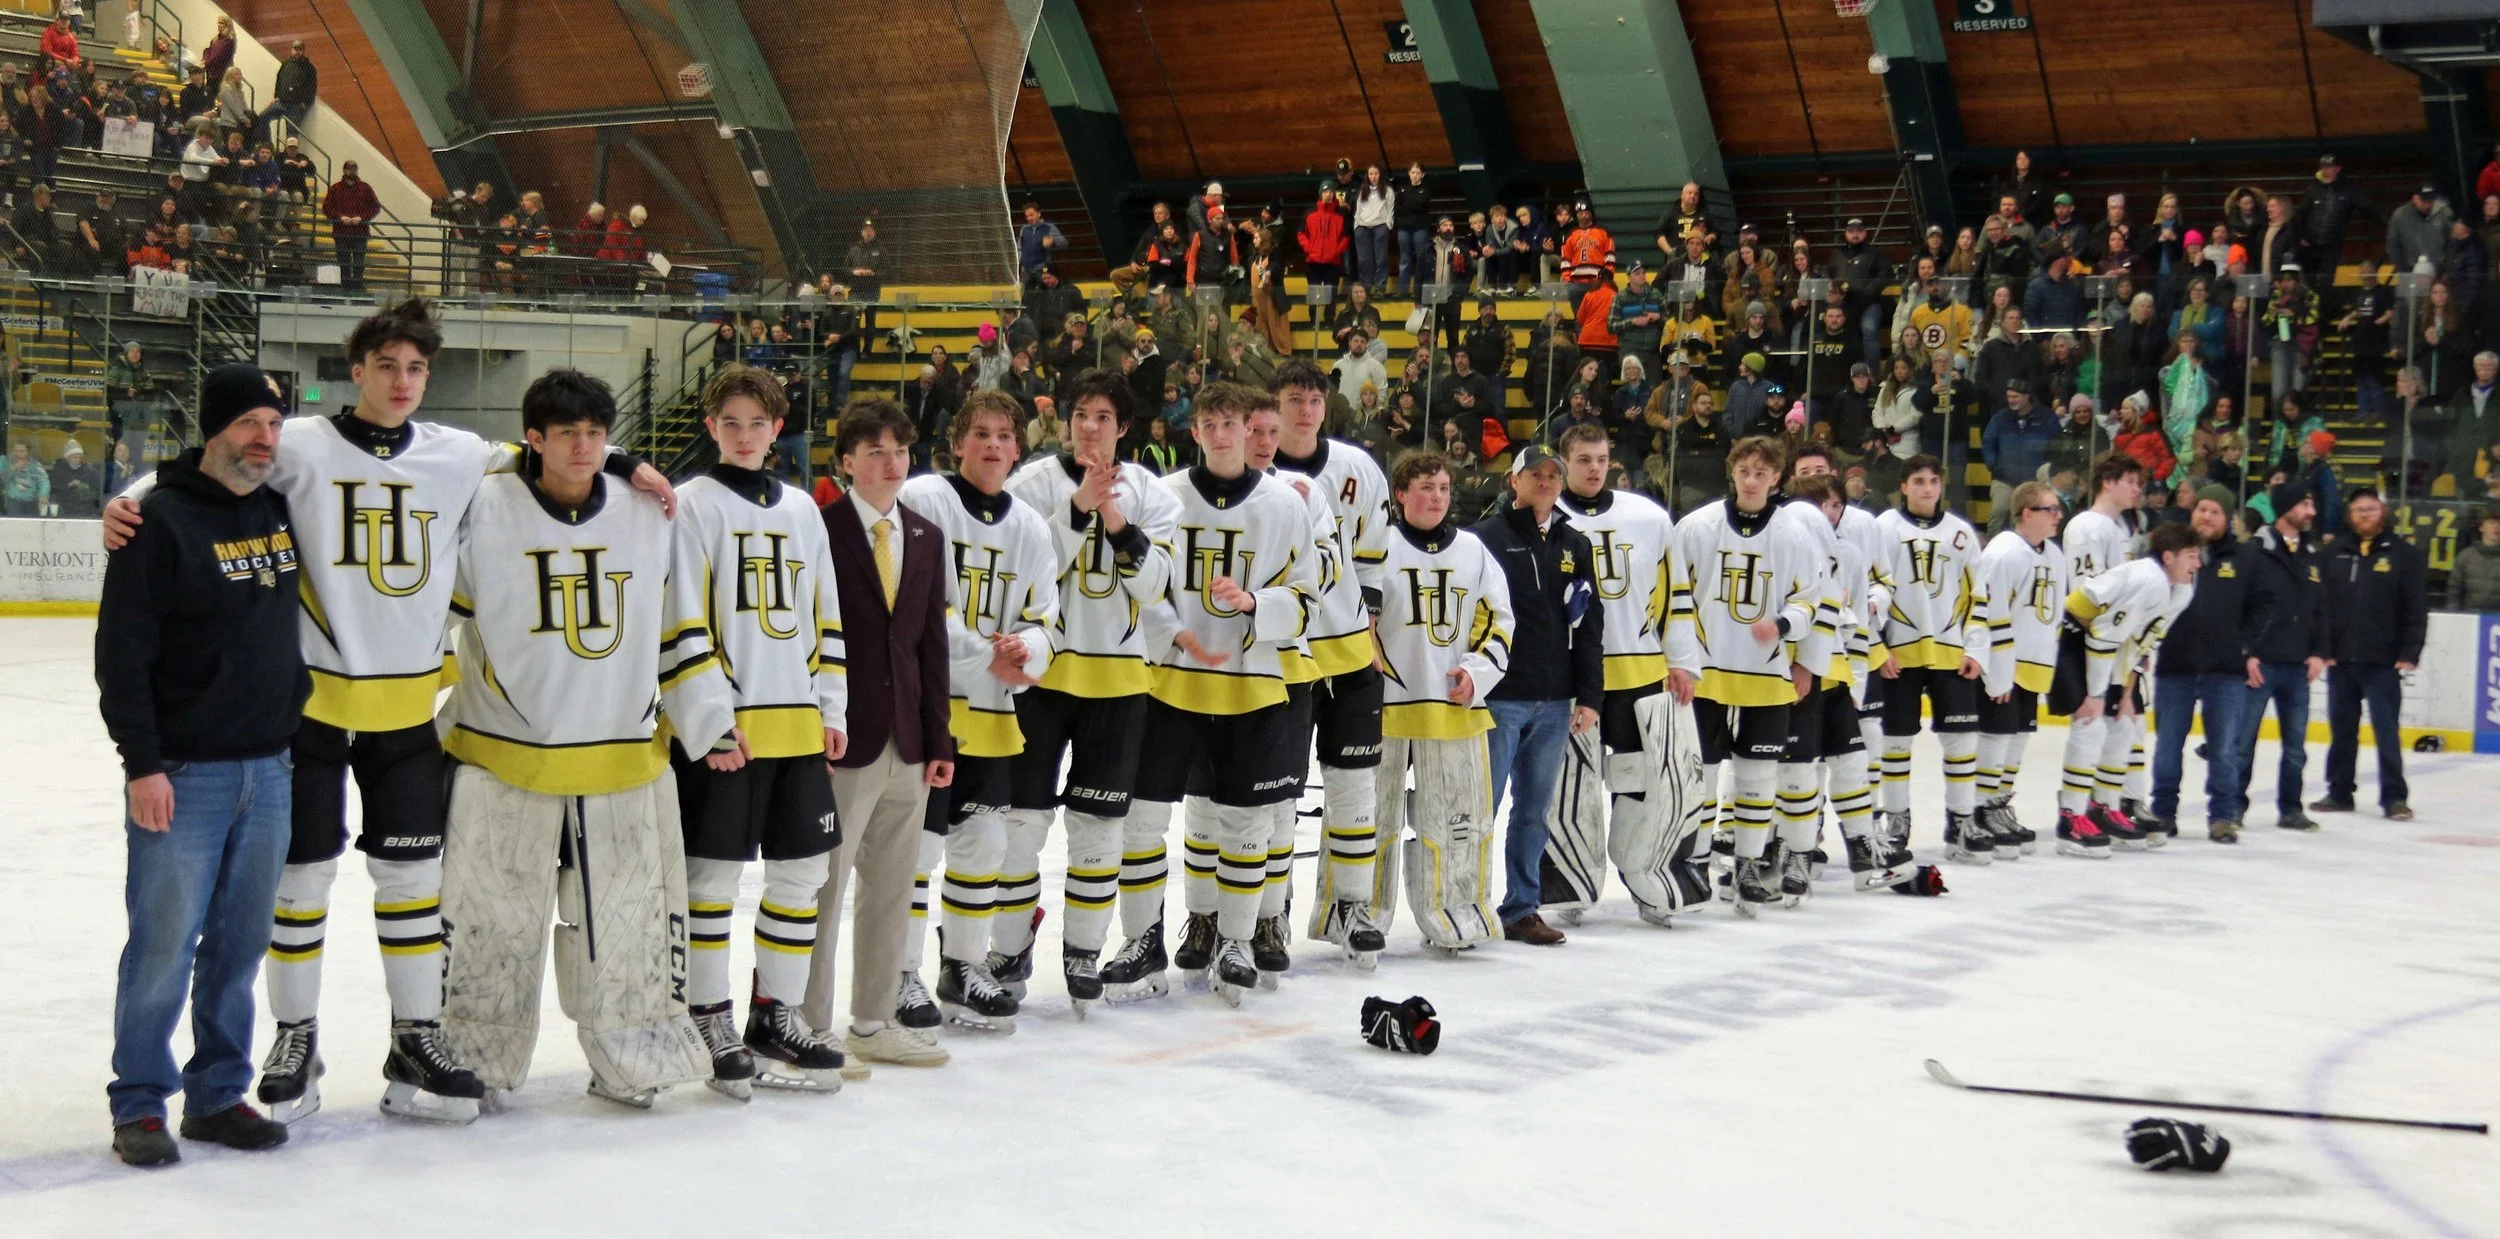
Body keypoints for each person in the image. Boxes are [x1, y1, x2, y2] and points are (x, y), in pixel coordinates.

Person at [99, 300, 674, 1125]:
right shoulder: (296, 442)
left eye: (416, 369)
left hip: (409, 714)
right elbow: (202, 463)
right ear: (356, 369)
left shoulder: (459, 453)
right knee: (300, 881)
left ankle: (415, 1035)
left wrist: (626, 461)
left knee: (413, 880)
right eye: (387, 366)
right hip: (312, 710)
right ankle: (295, 1037)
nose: (402, 382)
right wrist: (124, 500)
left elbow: (554, 447)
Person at [433, 369, 715, 1111]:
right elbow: (443, 611)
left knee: (630, 919)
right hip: (502, 751)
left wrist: (709, 721)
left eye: (598, 433)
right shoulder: (484, 505)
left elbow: (679, 622)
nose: (586, 447)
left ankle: (633, 1055)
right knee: (491, 916)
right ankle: (472, 1056)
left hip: (622, 750)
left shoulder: (648, 508)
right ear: (535, 438)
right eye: (568, 434)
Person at [97, 365, 303, 1167]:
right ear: (213, 428)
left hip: (271, 768)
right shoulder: (156, 522)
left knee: (240, 945)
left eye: (274, 424)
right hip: (184, 774)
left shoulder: (279, 505)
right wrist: (142, 765)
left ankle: (218, 1093)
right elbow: (122, 655)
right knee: (162, 945)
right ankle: (141, 1102)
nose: (264, 438)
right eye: (249, 422)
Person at [666, 366, 852, 1097]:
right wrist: (710, 721)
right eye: (731, 421)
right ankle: (706, 1015)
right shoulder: (689, 506)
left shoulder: (806, 509)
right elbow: (680, 616)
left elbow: (824, 613)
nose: (745, 434)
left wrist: (830, 709)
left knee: (801, 873)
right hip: (730, 732)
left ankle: (774, 1011)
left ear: (779, 430)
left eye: (758, 422)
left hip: (797, 725)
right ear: (712, 426)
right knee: (711, 879)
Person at [1113, 382, 1319, 1006]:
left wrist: (1256, 602)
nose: (1225, 433)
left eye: (1234, 422)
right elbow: (1136, 586)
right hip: (1168, 684)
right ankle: (1142, 938)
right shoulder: (1164, 497)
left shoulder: (1285, 504)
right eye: (1212, 422)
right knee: (1145, 819)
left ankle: (1235, 938)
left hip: (1251, 685)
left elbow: (1309, 598)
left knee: (1245, 820)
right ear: (1195, 430)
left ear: (1249, 427)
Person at [1000, 372, 1180, 1011]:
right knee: (1019, 822)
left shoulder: (1154, 494)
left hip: (1119, 681)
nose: (1089, 427)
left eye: (1103, 416)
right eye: (1081, 414)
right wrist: (1078, 507)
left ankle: (1083, 949)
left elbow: (1157, 584)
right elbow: (1029, 568)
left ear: (1123, 427)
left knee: (1100, 824)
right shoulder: (1031, 486)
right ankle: (1008, 943)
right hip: (1042, 678)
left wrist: (1112, 512)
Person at [893, 391, 1060, 1032]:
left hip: (991, 713)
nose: (993, 445)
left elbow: (1047, 617)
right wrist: (982, 652)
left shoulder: (1031, 527)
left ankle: (962, 966)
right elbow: (909, 599)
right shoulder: (924, 499)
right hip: (927, 711)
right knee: (916, 850)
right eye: (980, 433)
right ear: (957, 443)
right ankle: (900, 973)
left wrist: (1028, 650)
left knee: (983, 846)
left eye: (1004, 436)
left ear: (1019, 449)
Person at [801, 397, 955, 1067]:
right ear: (846, 462)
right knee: (824, 887)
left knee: (892, 889)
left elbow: (930, 645)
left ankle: (871, 1018)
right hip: (842, 738)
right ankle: (805, 1022)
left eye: (899, 451)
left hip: (908, 743)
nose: (890, 463)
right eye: (874, 452)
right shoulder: (819, 528)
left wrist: (938, 738)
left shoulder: (924, 535)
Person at [1665, 435, 1828, 913]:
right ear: (1732, 473)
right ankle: (1693, 862)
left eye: (1763, 472)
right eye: (1745, 471)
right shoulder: (1697, 526)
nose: (1752, 480)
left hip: (1767, 674)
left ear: (1777, 478)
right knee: (1703, 773)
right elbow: (1675, 595)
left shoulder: (1796, 534)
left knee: (1758, 776)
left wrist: (1784, 627)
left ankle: (1749, 865)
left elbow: (1810, 600)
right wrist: (1676, 660)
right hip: (1705, 672)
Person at [1267, 362, 1393, 964]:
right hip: (1279, 654)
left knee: (1353, 787)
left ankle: (1351, 905)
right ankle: (1269, 913)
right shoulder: (1252, 471)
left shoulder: (1358, 468)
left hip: (1346, 649)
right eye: (1294, 398)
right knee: (1274, 794)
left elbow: (1374, 559)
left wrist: (1367, 619)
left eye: (1315, 399)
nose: (1306, 409)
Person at [1541, 423, 1690, 923]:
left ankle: (1642, 875)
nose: (1594, 468)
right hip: (1566, 678)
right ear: (1563, 463)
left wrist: (1683, 661)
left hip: (1637, 672)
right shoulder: (1541, 515)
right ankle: (1571, 883)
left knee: (1636, 779)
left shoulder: (1648, 516)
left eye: (1602, 459)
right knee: (1569, 784)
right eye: (1584, 459)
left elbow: (1676, 595)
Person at [1367, 450, 1515, 948]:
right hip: (1384, 706)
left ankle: (1456, 905)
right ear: (1401, 494)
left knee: (1458, 815)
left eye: (1444, 488)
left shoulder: (1473, 550)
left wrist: (1478, 673)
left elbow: (1498, 618)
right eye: (1425, 487)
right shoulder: (1378, 546)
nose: (1436, 497)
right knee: (1371, 817)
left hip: (1453, 707)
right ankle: (1360, 911)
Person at [1470, 445, 1603, 945]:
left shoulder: (1574, 542)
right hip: (1500, 697)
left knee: (1534, 810)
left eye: (1553, 474)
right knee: (1482, 806)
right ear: (1514, 481)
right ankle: (1470, 902)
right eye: (1536, 474)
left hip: (1555, 700)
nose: (1546, 481)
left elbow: (1590, 623)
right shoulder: (1483, 539)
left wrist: (1590, 694)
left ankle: (1521, 908)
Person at [2048, 521, 2202, 854]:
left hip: (2109, 645)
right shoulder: (2149, 581)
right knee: (2089, 725)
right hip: (2075, 636)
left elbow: (2141, 644)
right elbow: (2102, 634)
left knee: (2124, 725)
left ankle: (2104, 808)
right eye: (2191, 556)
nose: (2197, 564)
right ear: (2169, 556)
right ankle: (2070, 817)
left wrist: (2128, 695)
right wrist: (2096, 694)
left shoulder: (2181, 590)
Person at [1873, 455, 1983, 854]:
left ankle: (1961, 820)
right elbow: (1872, 590)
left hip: (1950, 653)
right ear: (1903, 486)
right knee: (1896, 743)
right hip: (1898, 655)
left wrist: (1975, 648)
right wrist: (1877, 648)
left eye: (1933, 481)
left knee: (1961, 742)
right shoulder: (1884, 528)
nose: (1926, 488)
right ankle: (1897, 819)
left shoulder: (1961, 533)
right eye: (1917, 480)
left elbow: (1977, 596)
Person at [2146, 488, 2251, 841]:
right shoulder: (2170, 553)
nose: (2206, 516)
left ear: (2228, 519)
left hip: (2225, 670)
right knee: (2167, 746)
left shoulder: (2245, 558)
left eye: (2215, 511)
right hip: (2175, 666)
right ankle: (2162, 812)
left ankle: (2223, 816)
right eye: (2202, 509)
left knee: (2224, 748)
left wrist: (2246, 647)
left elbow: (2266, 606)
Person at [1969, 479, 2066, 860]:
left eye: (2058, 509)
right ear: (2027, 513)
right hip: (2004, 665)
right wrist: (1997, 673)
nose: (2058, 516)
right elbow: (1991, 614)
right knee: (1995, 737)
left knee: (2018, 739)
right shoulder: (2004, 553)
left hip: (2035, 665)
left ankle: (1999, 803)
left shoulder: (2054, 555)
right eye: (2050, 509)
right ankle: (1981, 809)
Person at [2315, 489, 2426, 821]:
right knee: (2342, 730)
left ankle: (2394, 797)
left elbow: (2416, 608)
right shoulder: (2333, 552)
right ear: (2350, 515)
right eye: (2359, 510)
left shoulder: (2403, 554)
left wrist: (2410, 651)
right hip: (2341, 660)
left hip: (2383, 661)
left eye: (2371, 509)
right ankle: (2339, 792)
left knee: (2386, 731)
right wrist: (2323, 649)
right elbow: (2319, 606)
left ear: (2383, 512)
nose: (2365, 515)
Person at [2231, 480, 2330, 833]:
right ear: (2287, 507)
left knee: (2295, 748)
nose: (2312, 512)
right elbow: (2237, 608)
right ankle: (2232, 807)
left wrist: (2319, 652)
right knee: (2242, 743)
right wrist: (2245, 654)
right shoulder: (2254, 552)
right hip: (2260, 663)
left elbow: (2322, 610)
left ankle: (2291, 808)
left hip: (2298, 665)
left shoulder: (2313, 555)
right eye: (2305, 504)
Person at [321, 160, 378, 292]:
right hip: (341, 231)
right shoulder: (335, 188)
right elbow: (327, 208)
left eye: (354, 168)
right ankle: (345, 288)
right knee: (344, 262)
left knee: (359, 263)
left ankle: (358, 288)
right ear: (344, 170)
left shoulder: (365, 188)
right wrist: (340, 218)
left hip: (360, 231)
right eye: (349, 168)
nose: (351, 171)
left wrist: (361, 218)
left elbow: (375, 206)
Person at [2452, 507, 2500, 610]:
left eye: (2499, 523)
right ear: (2481, 527)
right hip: (2471, 618)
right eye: (2492, 522)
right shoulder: (2465, 556)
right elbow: (2454, 591)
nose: (2497, 526)